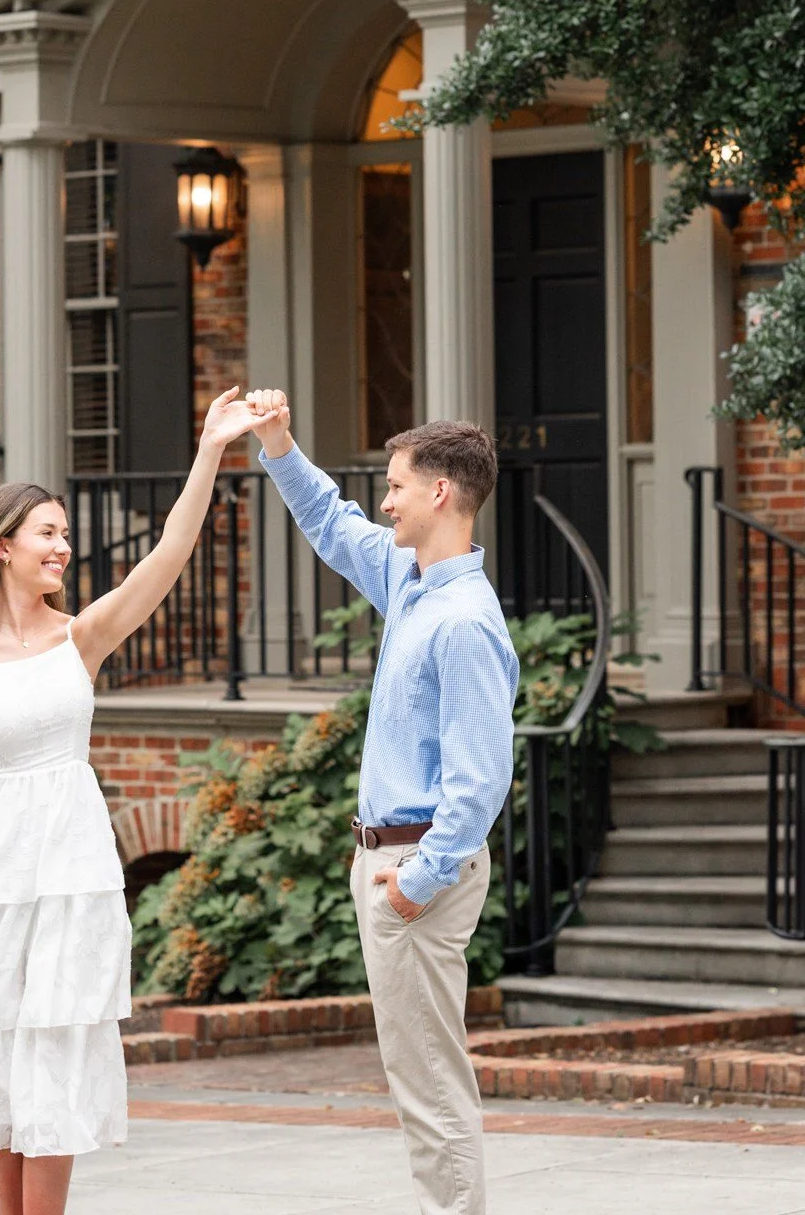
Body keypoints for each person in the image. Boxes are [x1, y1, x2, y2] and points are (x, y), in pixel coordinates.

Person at [0, 386, 278, 1215]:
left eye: (67, 535)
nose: (65, 548)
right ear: (3, 547)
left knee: (58, 1057)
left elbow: (170, 556)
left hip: (69, 878)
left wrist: (212, 450)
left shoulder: (84, 638)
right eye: (50, 533)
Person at [248, 391, 518, 1215]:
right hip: (389, 860)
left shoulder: (464, 622)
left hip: (415, 872)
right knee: (420, 1079)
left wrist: (413, 882)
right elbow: (332, 522)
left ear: (442, 492)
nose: (386, 500)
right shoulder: (410, 582)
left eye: (397, 485)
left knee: (431, 1085)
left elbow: (478, 783)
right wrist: (279, 443)